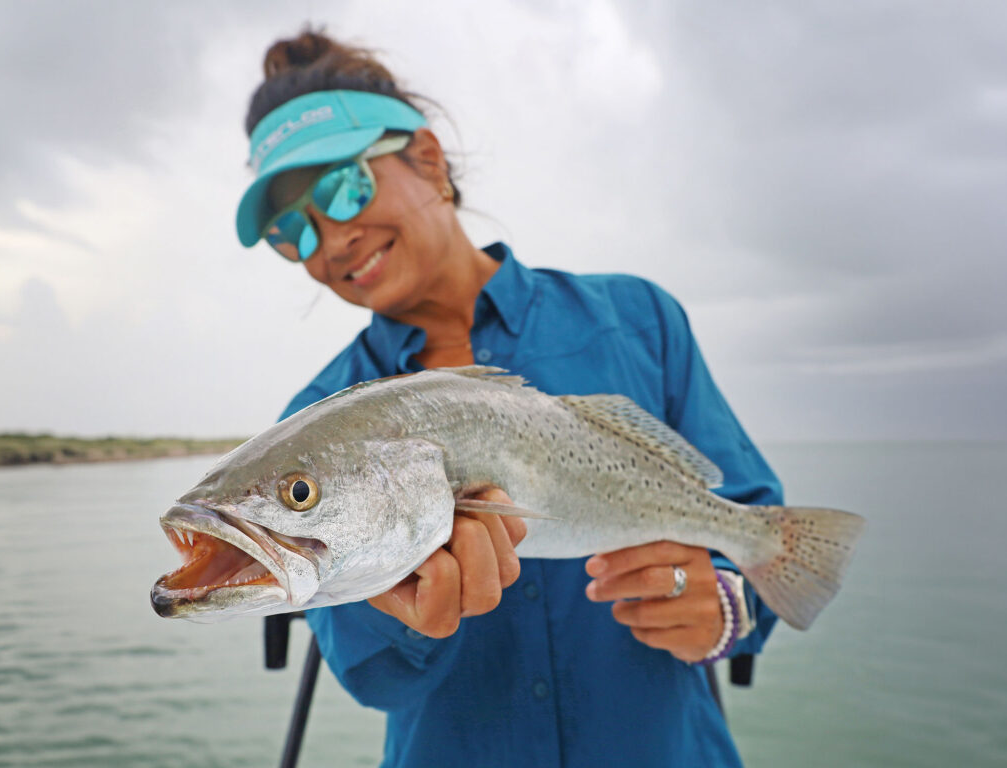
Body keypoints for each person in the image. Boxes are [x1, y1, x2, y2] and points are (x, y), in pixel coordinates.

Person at [235, 29, 783, 768]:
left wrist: (727, 607)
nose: (329, 240)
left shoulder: (639, 318)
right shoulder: (319, 419)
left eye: (342, 186)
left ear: (428, 160)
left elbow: (762, 532)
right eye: (290, 231)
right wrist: (395, 618)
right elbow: (372, 677)